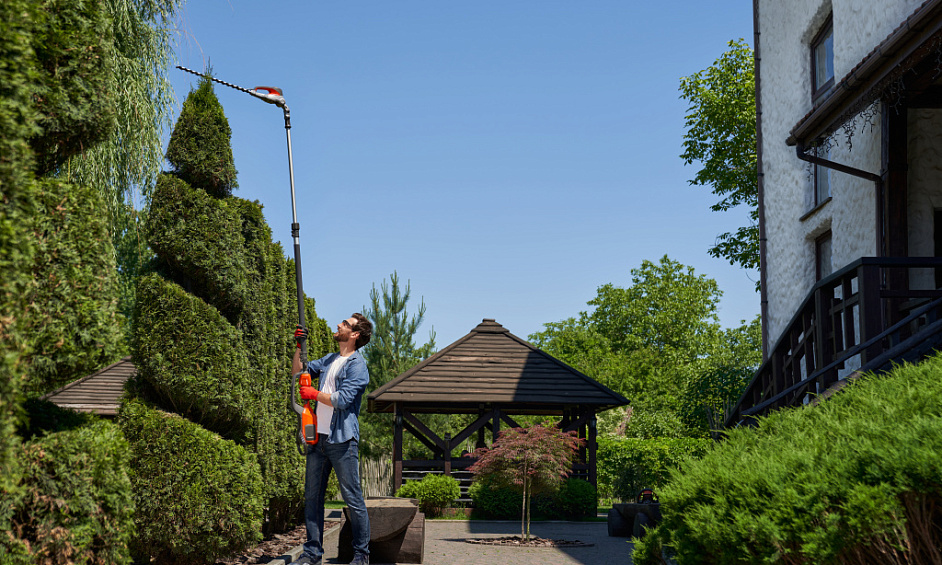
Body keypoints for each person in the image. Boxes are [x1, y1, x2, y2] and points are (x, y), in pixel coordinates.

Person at [290, 314, 373, 565]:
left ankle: (361, 555)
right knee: (312, 498)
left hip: (342, 441)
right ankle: (312, 553)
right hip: (318, 440)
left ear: (355, 335)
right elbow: (298, 372)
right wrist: (299, 347)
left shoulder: (358, 365)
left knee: (353, 498)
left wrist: (314, 394)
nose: (339, 324)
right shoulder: (329, 360)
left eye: (346, 324)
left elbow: (343, 399)